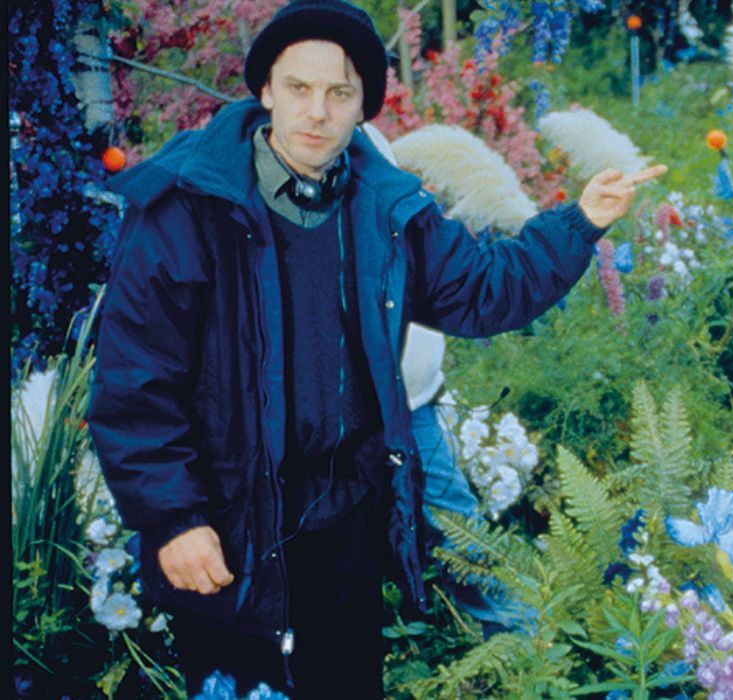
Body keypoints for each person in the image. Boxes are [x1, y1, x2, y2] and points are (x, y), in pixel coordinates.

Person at [86, 0, 665, 695]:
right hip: (228, 528)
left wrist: (580, 222)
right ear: (265, 90)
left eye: (339, 93)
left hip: (343, 532)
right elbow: (133, 383)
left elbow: (483, 289)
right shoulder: (186, 209)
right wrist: (175, 519)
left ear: (363, 106)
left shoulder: (386, 209)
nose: (316, 111)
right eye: (298, 88)